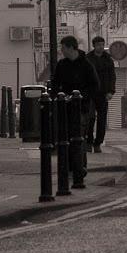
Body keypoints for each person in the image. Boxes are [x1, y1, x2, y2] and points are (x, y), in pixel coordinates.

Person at [50, 35, 102, 183]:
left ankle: (80, 167)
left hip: (81, 107)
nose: (61, 50)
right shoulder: (62, 65)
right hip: (65, 106)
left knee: (78, 137)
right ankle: (70, 168)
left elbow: (95, 85)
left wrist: (81, 96)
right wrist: (59, 96)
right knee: (66, 138)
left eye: (63, 48)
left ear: (71, 48)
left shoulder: (86, 64)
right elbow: (55, 84)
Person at [87, 36, 116, 152]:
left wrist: (111, 91)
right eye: (98, 44)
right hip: (90, 93)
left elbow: (112, 76)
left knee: (102, 119)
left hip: (103, 93)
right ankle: (89, 141)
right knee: (90, 118)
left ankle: (98, 142)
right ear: (94, 45)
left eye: (102, 44)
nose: (101, 47)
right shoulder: (88, 59)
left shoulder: (108, 59)